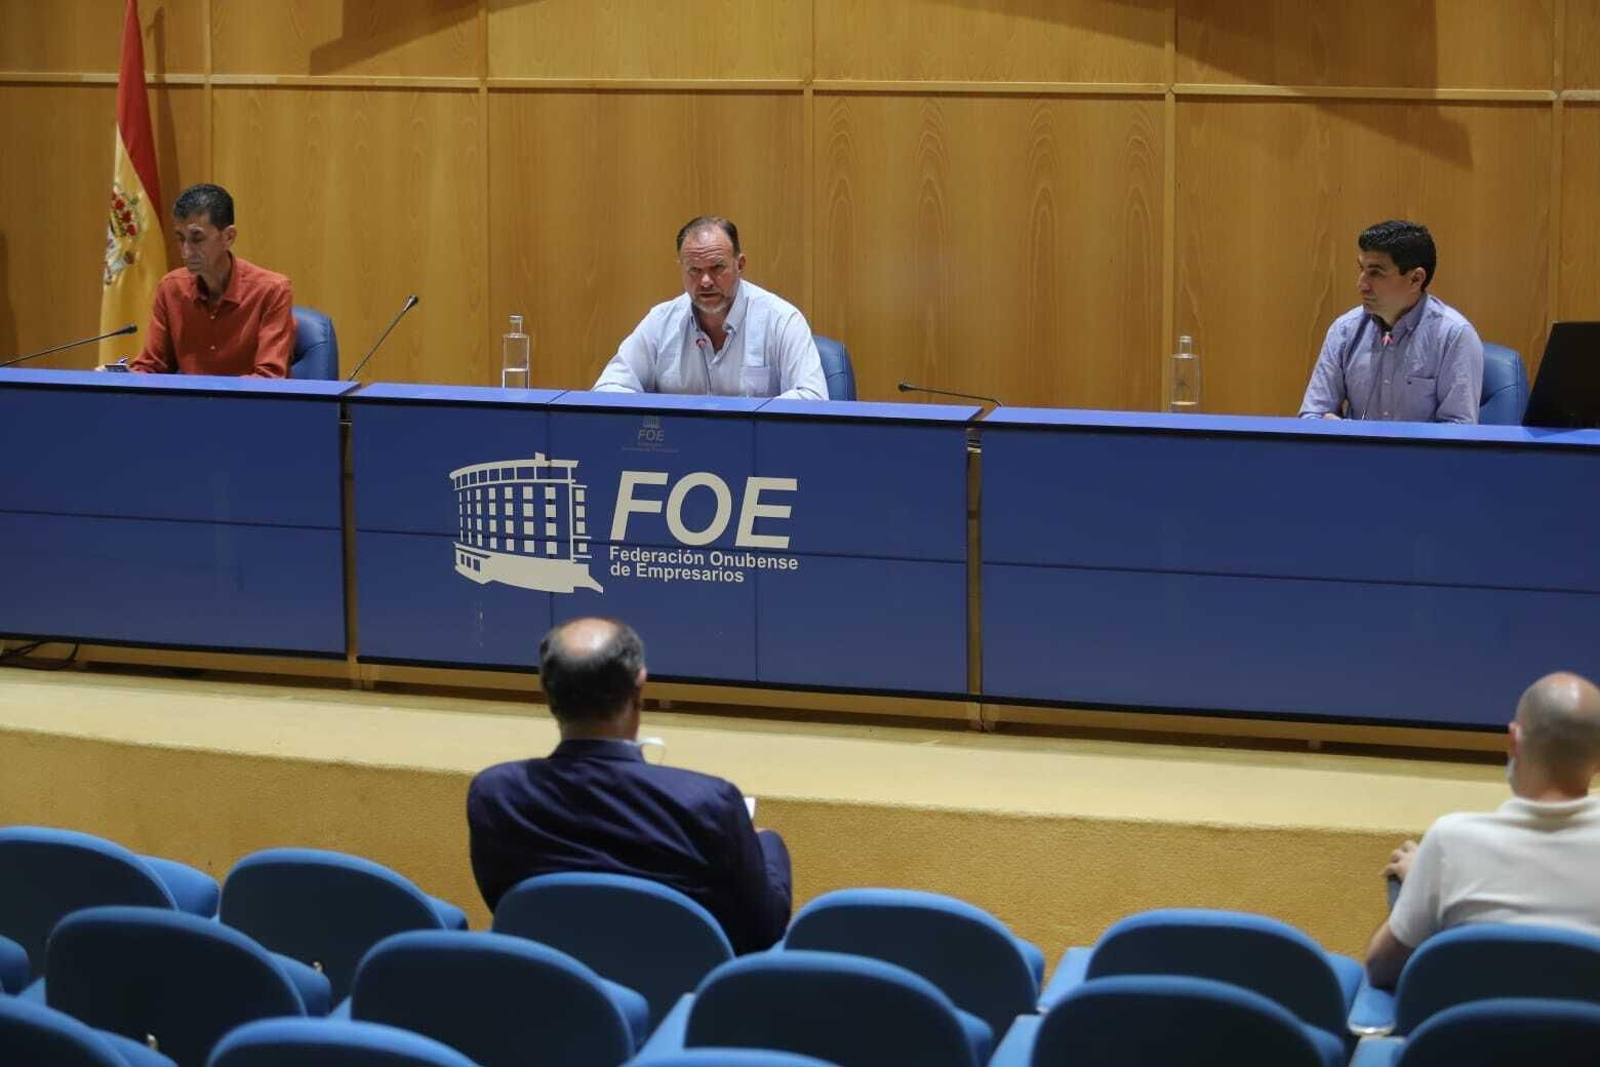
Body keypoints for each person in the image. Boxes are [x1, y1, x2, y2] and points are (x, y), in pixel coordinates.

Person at [466, 617, 792, 953]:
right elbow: (763, 932)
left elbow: (504, 901)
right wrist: (767, 845)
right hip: (684, 995)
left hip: (555, 988)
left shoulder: (495, 794)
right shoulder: (708, 804)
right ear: (638, 690)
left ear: (547, 693)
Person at [1364, 671, 1600, 988]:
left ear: (1514, 741)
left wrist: (1421, 880)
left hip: (1470, 1038)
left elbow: (1380, 969)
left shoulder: (1450, 841)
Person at [592, 215, 828, 399]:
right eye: (694, 270)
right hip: (680, 454)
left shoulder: (781, 320)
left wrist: (747, 420)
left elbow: (813, 397)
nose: (705, 281)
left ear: (740, 265)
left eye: (717, 268)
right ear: (681, 269)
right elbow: (608, 389)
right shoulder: (661, 322)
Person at [1299, 220, 1483, 423]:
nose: (1361, 284)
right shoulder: (1344, 331)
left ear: (1415, 279)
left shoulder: (1453, 336)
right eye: (1361, 269)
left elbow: (1458, 432)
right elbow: (1312, 415)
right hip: (1353, 455)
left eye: (1375, 273)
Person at [129, 183, 295, 377]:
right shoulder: (171, 288)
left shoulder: (272, 290)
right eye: (181, 239)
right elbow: (150, 367)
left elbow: (269, 378)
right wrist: (119, 379)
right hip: (188, 406)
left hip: (247, 406)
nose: (186, 252)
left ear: (228, 237)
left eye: (197, 238)